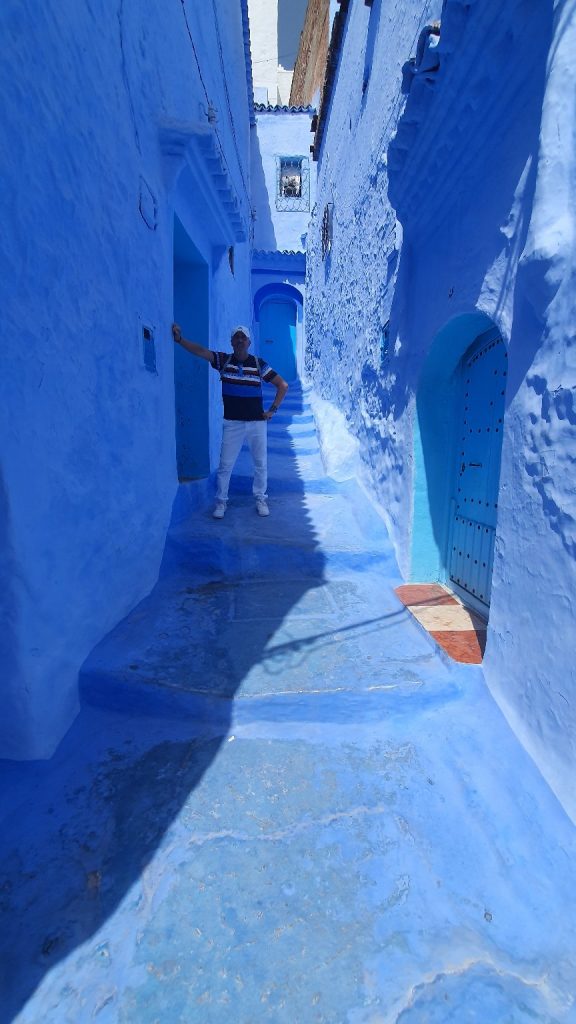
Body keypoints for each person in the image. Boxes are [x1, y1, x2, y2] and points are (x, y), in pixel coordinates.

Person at [172, 323, 288, 518]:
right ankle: (221, 502)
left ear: (249, 342)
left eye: (244, 337)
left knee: (260, 464)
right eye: (237, 337)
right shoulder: (223, 361)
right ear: (232, 342)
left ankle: (260, 499)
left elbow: (282, 385)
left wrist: (272, 410)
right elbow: (201, 351)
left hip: (256, 424)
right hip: (232, 423)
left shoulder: (259, 364)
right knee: (225, 465)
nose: (240, 340)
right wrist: (180, 340)